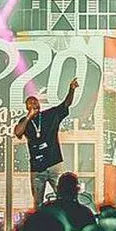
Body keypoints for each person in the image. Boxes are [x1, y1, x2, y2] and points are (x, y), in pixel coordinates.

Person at [13, 77, 79, 209]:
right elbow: (18, 132)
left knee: (64, 197)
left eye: (35, 102)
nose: (33, 104)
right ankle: (40, 225)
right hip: (37, 168)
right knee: (38, 202)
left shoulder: (50, 115)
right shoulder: (25, 121)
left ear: (39, 104)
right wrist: (28, 117)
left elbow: (66, 104)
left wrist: (71, 90)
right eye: (30, 103)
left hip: (54, 163)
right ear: (27, 107)